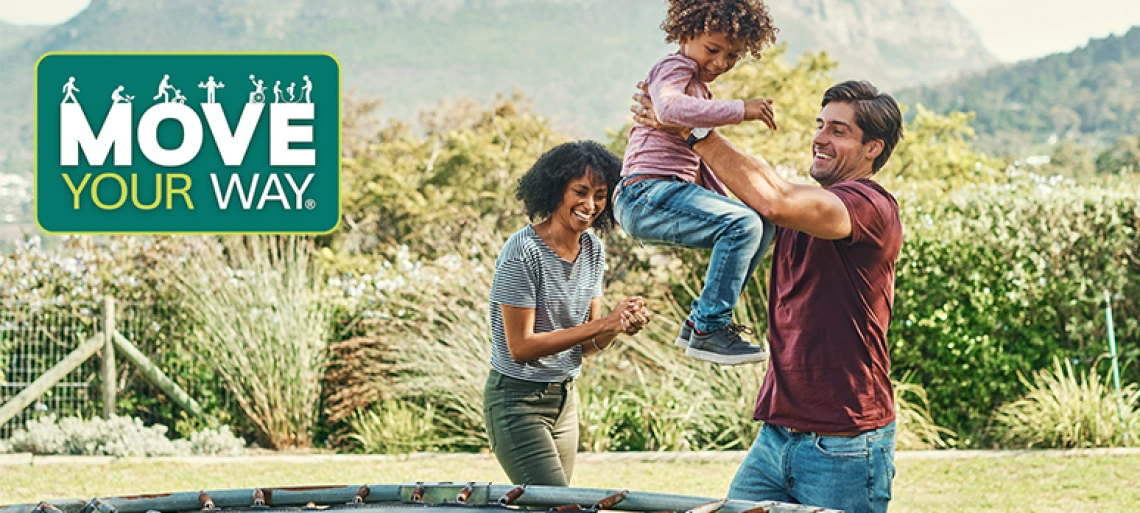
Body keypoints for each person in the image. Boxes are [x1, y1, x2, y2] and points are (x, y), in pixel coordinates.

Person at [631, 80, 904, 513]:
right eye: (820, 125)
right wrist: (667, 142)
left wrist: (694, 130)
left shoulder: (869, 206)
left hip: (846, 442)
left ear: (873, 148)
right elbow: (750, 193)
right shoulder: (805, 204)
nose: (820, 138)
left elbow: (774, 198)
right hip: (777, 435)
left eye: (838, 130)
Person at [614, 0, 779, 366]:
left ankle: (699, 323)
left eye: (732, 56)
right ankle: (710, 328)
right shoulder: (675, 67)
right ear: (686, 34)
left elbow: (701, 166)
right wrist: (741, 109)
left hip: (666, 193)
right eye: (713, 49)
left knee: (761, 225)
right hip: (644, 193)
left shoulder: (700, 90)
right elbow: (669, 109)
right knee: (744, 224)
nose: (720, 63)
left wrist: (735, 209)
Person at [484, 140, 652, 486]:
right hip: (517, 402)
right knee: (562, 507)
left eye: (601, 195)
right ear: (556, 190)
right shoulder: (522, 253)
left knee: (556, 506)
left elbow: (587, 344)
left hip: (564, 400)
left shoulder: (592, 249)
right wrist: (603, 323)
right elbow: (521, 348)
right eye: (580, 191)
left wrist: (617, 326)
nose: (590, 205)